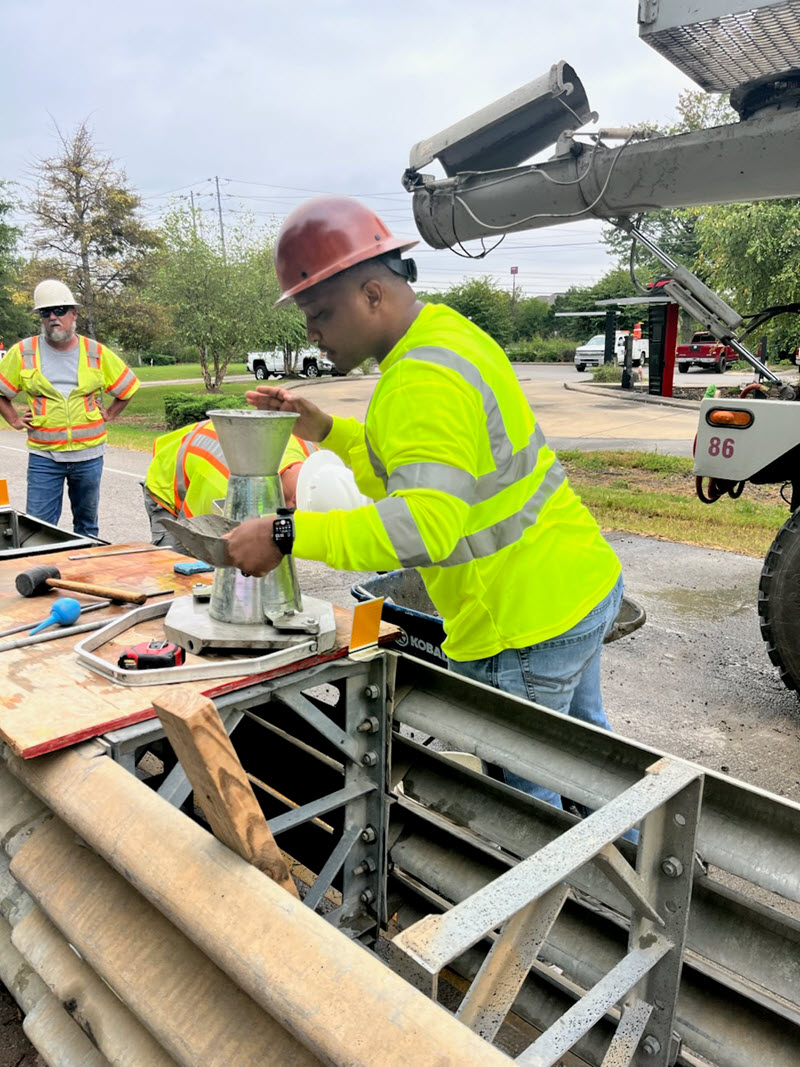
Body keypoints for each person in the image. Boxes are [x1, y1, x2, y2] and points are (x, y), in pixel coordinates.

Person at [224, 196, 624, 810]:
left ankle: (579, 905)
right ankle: (642, 884)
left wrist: (284, 534)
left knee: (534, 811)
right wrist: (326, 429)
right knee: (593, 770)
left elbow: (422, 526)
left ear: (373, 294)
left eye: (320, 311)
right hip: (577, 587)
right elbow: (422, 467)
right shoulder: (446, 335)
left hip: (520, 626)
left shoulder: (419, 379)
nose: (312, 333)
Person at [0, 280, 139, 539]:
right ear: (41, 318)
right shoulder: (23, 352)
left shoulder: (95, 352)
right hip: (44, 458)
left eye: (61, 310)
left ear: (74, 314)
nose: (54, 317)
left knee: (87, 527)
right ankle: (42, 577)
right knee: (37, 528)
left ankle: (83, 575)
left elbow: (127, 387)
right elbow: (1, 392)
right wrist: (14, 420)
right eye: (46, 312)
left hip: (89, 456)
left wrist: (110, 414)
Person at [142, 418, 318, 550]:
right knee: (179, 570)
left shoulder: (315, 462)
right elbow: (194, 534)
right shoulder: (228, 488)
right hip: (167, 481)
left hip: (216, 448)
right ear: (295, 500)